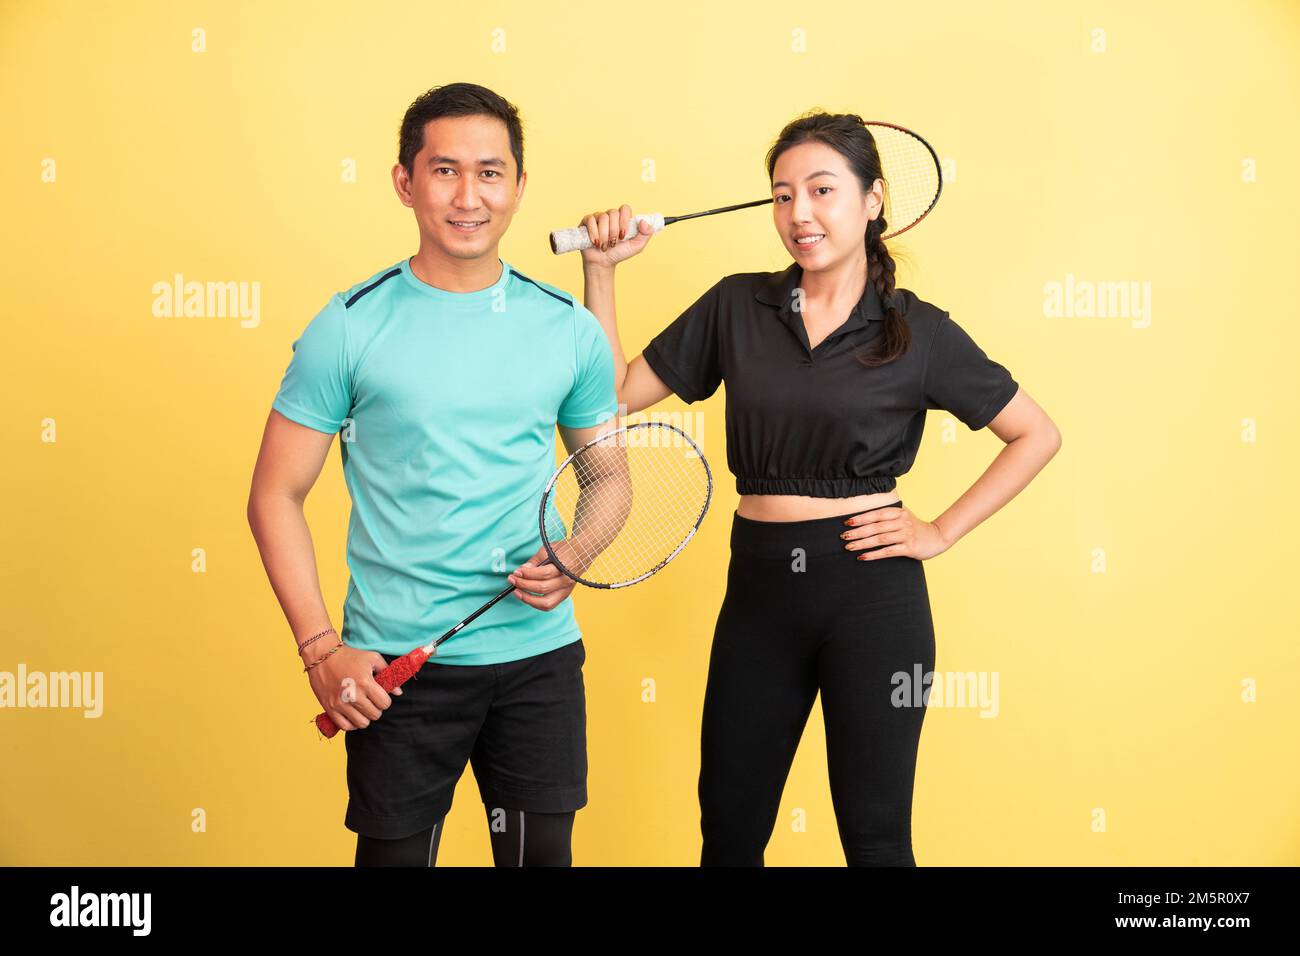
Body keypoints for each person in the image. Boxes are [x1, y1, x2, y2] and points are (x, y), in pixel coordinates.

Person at [577, 111, 1062, 866]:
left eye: (821, 190)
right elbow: (607, 393)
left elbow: (1036, 433)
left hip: (874, 599)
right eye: (781, 195)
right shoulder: (737, 304)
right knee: (729, 834)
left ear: (872, 201)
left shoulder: (918, 329)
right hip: (760, 590)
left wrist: (938, 531)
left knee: (874, 839)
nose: (798, 213)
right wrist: (602, 272)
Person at [246, 82, 619, 866]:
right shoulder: (347, 325)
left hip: (537, 662)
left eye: (490, 172)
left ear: (519, 186)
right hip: (393, 667)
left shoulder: (568, 328)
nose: (468, 195)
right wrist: (321, 650)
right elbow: (274, 496)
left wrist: (578, 555)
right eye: (444, 170)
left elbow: (608, 478)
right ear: (404, 183)